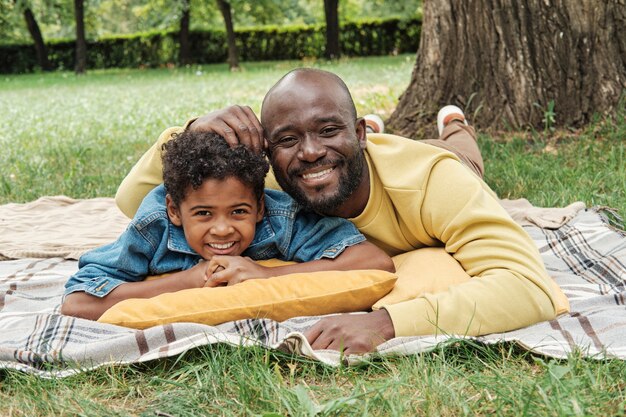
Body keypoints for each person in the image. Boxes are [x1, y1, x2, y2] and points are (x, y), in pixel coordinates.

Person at [115, 68, 562, 354]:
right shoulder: (266, 181)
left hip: (438, 164)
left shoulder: (433, 182)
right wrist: (190, 131)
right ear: (268, 150)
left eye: (329, 130)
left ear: (358, 133)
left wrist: (387, 323)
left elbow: (529, 288)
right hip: (369, 152)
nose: (309, 153)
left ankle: (454, 125)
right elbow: (135, 201)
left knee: (462, 160)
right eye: (288, 139)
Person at [61, 130, 394, 321]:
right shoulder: (156, 226)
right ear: (176, 212)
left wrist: (265, 274)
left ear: (260, 208)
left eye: (238, 212)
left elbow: (373, 261)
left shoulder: (280, 219)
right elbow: (77, 301)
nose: (222, 230)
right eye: (204, 214)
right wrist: (185, 281)